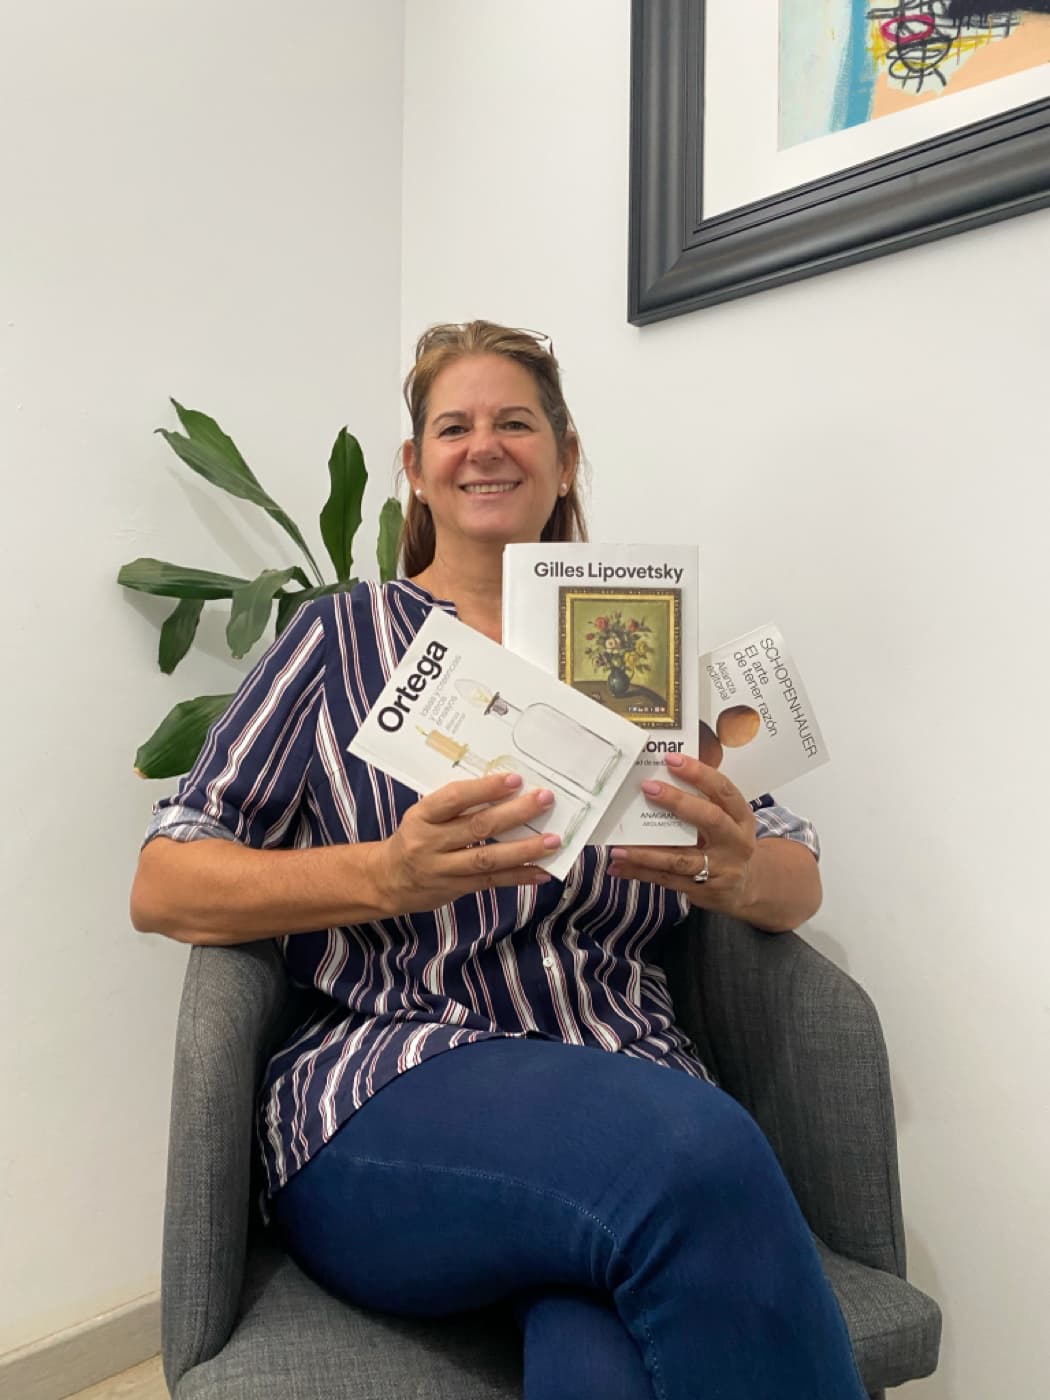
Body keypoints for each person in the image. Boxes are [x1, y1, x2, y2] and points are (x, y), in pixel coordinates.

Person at [131, 321, 866, 1400]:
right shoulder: (342, 639)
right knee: (699, 1159)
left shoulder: (630, 641)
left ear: (565, 458)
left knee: (606, 1361)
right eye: (454, 427)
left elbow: (795, 875)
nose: (484, 446)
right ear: (415, 467)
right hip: (394, 1084)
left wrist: (730, 866)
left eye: (516, 422)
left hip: (626, 1069)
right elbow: (165, 878)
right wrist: (386, 875)